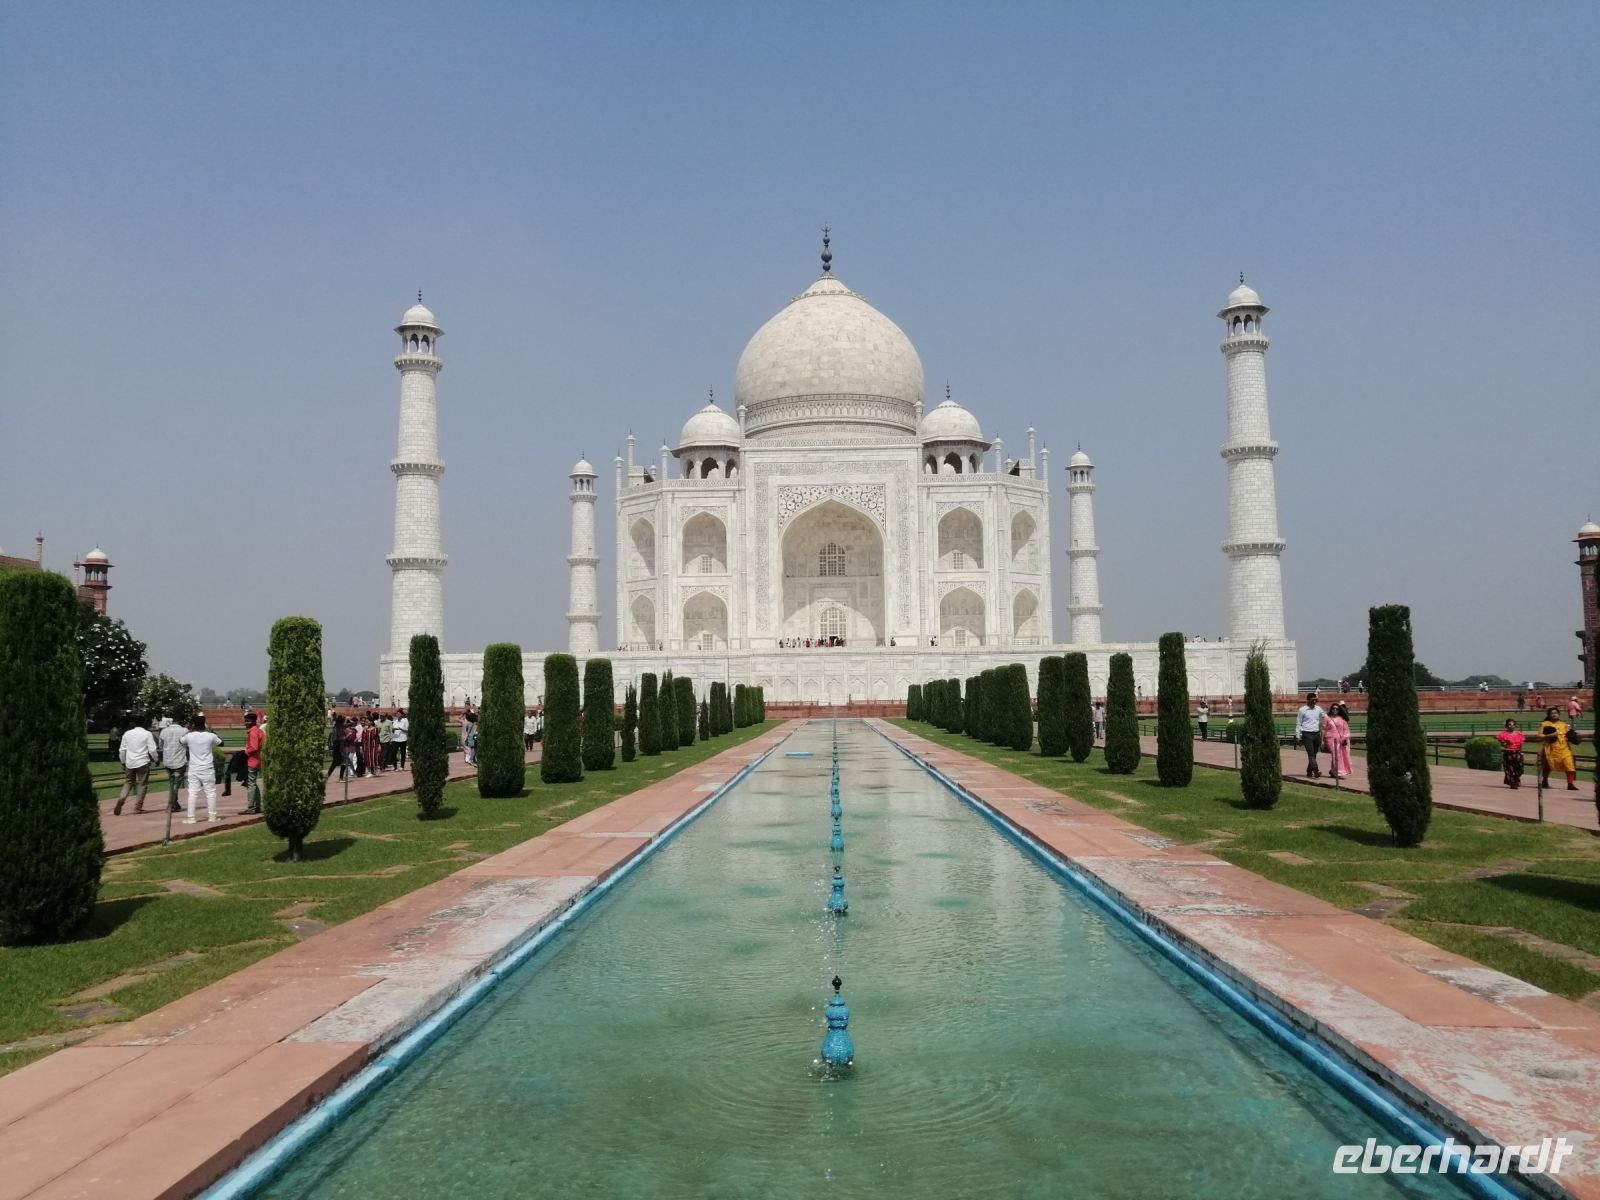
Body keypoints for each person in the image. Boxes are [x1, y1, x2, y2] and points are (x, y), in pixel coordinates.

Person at [180, 715, 223, 824]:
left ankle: (191, 817)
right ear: (204, 723)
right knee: (211, 792)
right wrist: (210, 732)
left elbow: (181, 741)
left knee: (192, 793)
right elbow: (221, 743)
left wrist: (190, 730)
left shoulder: (189, 736)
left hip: (194, 768)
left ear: (193, 725)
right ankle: (212, 816)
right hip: (207, 767)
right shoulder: (210, 736)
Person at [113, 713, 159, 815]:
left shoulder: (127, 734)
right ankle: (138, 807)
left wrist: (123, 762)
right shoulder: (147, 734)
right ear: (144, 723)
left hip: (130, 762)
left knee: (128, 782)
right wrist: (156, 760)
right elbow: (152, 750)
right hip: (143, 762)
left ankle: (121, 798)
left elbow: (122, 750)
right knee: (142, 785)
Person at [1538, 706, 1579, 790]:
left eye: (1556, 713)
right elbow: (1540, 735)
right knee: (1548, 766)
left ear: (1559, 714)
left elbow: (1569, 734)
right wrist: (1550, 735)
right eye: (1552, 713)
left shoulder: (1564, 724)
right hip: (1550, 748)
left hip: (1564, 748)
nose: (1554, 715)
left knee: (1569, 765)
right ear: (1549, 715)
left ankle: (1570, 784)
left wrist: (1572, 736)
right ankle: (1544, 781)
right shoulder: (1544, 724)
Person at [159, 714, 188, 814]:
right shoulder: (184, 731)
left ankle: (175, 803)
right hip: (179, 761)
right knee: (176, 785)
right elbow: (187, 744)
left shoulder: (164, 731)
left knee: (172, 783)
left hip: (167, 761)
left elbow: (160, 745)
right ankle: (170, 804)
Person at [1295, 692, 1326, 778]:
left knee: (1314, 753)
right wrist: (1298, 735)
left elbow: (1325, 716)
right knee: (1311, 754)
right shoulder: (1302, 710)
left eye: (1316, 700)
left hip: (1316, 733)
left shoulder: (1318, 709)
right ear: (1308, 700)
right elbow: (1298, 723)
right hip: (1306, 733)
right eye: (1313, 700)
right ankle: (1316, 771)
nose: (1315, 702)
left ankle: (1309, 771)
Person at [1324, 702, 1353, 781]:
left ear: (1339, 710)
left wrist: (1344, 738)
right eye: (1333, 708)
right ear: (1331, 709)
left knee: (1339, 756)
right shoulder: (1327, 718)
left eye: (1337, 709)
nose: (1335, 710)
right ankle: (1338, 772)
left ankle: (1333, 771)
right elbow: (1324, 729)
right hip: (1330, 739)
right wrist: (1323, 741)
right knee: (1335, 755)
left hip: (1340, 740)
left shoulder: (1342, 719)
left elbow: (1346, 730)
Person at [243, 711, 265, 813]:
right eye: (245, 721)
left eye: (247, 721)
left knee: (251, 784)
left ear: (252, 721)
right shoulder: (259, 731)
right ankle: (257, 806)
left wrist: (246, 752)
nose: (245, 723)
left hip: (253, 760)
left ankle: (251, 807)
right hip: (259, 759)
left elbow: (254, 747)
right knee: (253, 783)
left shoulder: (252, 732)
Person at [1496, 719, 1525, 790]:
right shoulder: (1503, 734)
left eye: (1513, 724)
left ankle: (1517, 779)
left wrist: (1521, 752)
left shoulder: (1519, 734)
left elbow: (1520, 745)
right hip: (1508, 752)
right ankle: (1512, 782)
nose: (1511, 726)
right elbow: (1503, 745)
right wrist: (1506, 743)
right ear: (1506, 726)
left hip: (1517, 752)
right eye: (1509, 724)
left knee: (1519, 768)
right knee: (1509, 768)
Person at [327, 715, 348, 781]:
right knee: (339, 762)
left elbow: (353, 723)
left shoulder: (339, 726)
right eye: (343, 720)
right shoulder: (338, 727)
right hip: (338, 747)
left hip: (339, 747)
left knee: (339, 762)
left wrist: (347, 719)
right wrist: (343, 738)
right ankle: (339, 777)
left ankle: (329, 776)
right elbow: (337, 738)